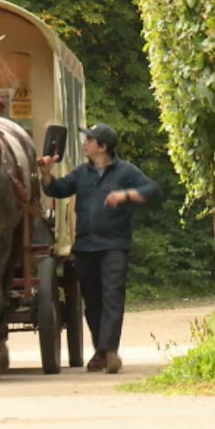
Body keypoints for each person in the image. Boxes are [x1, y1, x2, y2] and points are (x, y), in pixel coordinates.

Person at [37, 123, 162, 374]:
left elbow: (154, 191)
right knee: (92, 302)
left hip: (115, 245)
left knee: (113, 297)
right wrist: (47, 174)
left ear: (103, 147)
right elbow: (58, 189)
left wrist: (125, 196)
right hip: (85, 246)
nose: (85, 143)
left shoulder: (126, 172)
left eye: (89, 139)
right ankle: (101, 351)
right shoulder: (81, 173)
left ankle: (109, 351)